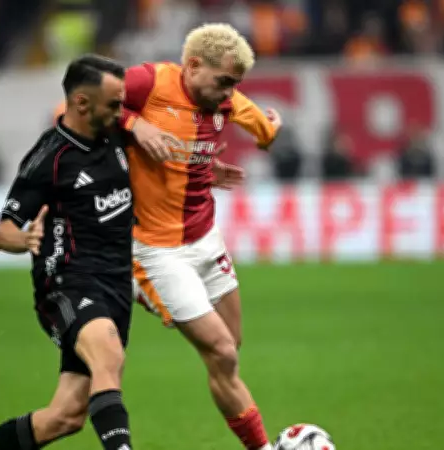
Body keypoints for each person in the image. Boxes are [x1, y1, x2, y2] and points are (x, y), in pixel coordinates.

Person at [0, 54, 166, 450]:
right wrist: (25, 240)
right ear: (82, 103)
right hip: (66, 283)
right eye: (114, 104)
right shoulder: (50, 158)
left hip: (115, 286)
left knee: (66, 416)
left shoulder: (117, 134)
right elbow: (2, 231)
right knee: (108, 356)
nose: (122, 112)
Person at [122, 23, 282, 450]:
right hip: (156, 250)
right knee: (222, 351)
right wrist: (135, 125)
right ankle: (135, 283)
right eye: (223, 82)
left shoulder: (225, 99)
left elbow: (265, 132)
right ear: (192, 67)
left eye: (235, 85)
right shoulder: (146, 82)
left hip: (206, 238)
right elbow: (82, 103)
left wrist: (207, 162)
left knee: (229, 349)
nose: (229, 93)